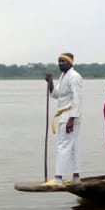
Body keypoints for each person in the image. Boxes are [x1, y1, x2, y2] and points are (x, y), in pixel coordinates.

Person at [44, 53, 83, 186]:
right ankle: (76, 177)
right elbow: (56, 95)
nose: (60, 64)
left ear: (70, 62)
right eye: (59, 61)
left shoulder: (74, 77)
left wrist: (72, 119)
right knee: (72, 146)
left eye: (63, 61)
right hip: (64, 115)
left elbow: (77, 99)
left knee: (63, 146)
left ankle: (58, 178)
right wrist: (50, 82)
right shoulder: (63, 76)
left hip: (70, 116)